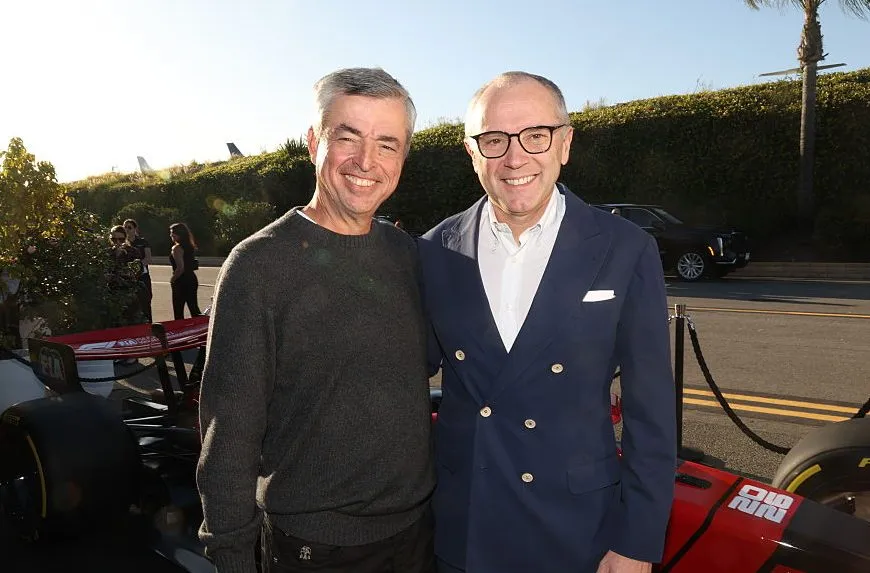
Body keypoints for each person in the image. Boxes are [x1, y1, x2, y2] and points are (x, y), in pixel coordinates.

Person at [417, 72, 676, 573]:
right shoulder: (434, 250)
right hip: (466, 522)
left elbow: (651, 411)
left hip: (577, 527)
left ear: (565, 143)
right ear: (473, 154)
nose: (515, 158)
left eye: (535, 135)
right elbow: (399, 373)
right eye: (494, 140)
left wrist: (638, 541)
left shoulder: (625, 248)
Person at [196, 67, 435, 573]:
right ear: (313, 142)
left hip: (415, 535)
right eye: (347, 137)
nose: (366, 161)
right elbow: (228, 433)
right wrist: (232, 556)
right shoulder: (258, 264)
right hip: (315, 549)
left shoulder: (404, 253)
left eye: (387, 144)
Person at [168, 222, 201, 319]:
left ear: (178, 234)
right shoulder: (190, 246)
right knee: (194, 307)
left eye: (172, 233)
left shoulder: (177, 248)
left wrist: (173, 279)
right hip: (191, 278)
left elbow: (180, 267)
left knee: (178, 310)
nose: (171, 235)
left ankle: (180, 330)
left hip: (181, 281)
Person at [123, 218, 153, 322]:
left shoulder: (142, 242)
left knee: (145, 303)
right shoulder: (122, 244)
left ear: (135, 229)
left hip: (143, 277)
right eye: (125, 227)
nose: (127, 230)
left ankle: (149, 326)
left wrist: (136, 267)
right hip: (128, 279)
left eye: (129, 227)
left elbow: (148, 258)